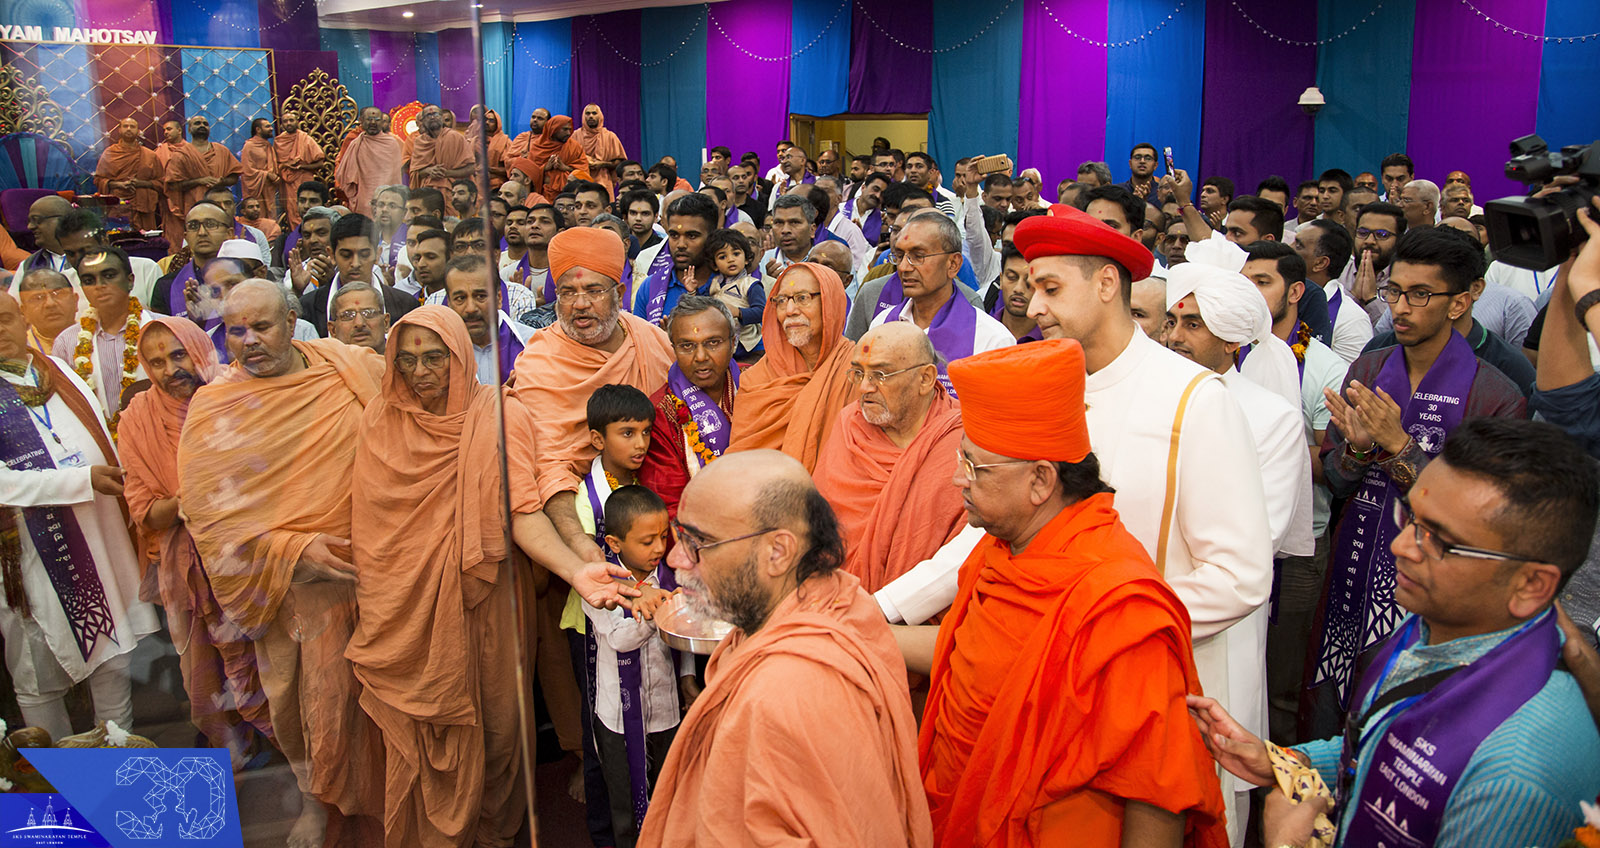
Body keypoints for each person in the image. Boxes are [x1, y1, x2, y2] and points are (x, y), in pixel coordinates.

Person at [1196, 418, 1600, 848]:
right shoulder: (1440, 626)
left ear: (1531, 584)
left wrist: (1287, 844)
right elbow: (1390, 747)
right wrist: (1286, 762)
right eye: (1410, 518)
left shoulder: (1515, 775)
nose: (1401, 546)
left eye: (1439, 541)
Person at [895, 339, 1228, 847]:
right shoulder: (1001, 549)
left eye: (973, 466)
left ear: (1040, 480)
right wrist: (855, 627)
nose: (955, 478)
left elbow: (1159, 792)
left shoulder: (1116, 603)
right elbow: (974, 655)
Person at [637, 450, 932, 847]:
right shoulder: (841, 599)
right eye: (680, 537)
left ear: (777, 552)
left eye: (698, 543)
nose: (675, 559)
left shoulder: (784, 691)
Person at [1305, 227, 1528, 737]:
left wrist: (1399, 446)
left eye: (1420, 294)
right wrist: (1361, 447)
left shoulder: (1495, 395)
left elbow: (1479, 520)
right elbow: (1338, 479)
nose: (1400, 308)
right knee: (1328, 706)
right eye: (1393, 292)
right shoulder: (1368, 367)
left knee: (1403, 720)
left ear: (1460, 302)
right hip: (1351, 566)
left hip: (1431, 585)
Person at [346, 306, 535, 848]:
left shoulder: (498, 413)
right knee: (416, 722)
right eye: (406, 361)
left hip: (490, 596)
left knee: (498, 723)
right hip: (400, 600)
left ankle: (495, 831)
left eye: (435, 357)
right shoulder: (380, 419)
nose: (421, 372)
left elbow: (519, 510)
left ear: (460, 355)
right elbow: (371, 521)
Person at [0, 291, 158, 742]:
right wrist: (79, 481)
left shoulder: (59, 371)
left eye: (6, 319)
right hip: (25, 550)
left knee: (112, 651)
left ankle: (120, 756)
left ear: (22, 319)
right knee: (37, 668)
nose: (0, 331)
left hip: (97, 531)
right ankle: (52, 781)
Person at [119, 315, 266, 761]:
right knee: (205, 671)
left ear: (201, 348)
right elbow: (143, 507)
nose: (170, 370)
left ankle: (286, 746)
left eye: (178, 354)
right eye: (157, 361)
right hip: (188, 564)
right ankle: (231, 750)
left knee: (268, 663)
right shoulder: (137, 419)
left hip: (253, 557)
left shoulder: (239, 394)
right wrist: (186, 501)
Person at [513, 226, 673, 556]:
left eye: (594, 290)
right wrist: (579, 541)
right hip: (579, 522)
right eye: (568, 292)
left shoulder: (652, 341)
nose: (580, 304)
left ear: (620, 291)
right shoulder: (539, 362)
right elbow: (549, 466)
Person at [1164, 260, 1314, 563]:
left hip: (1219, 596)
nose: (1174, 337)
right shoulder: (1149, 394)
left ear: (1232, 340)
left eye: (1192, 325)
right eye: (1171, 322)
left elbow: (1263, 534)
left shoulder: (1274, 418)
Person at [813, 322, 963, 597]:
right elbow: (817, 528)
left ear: (926, 379)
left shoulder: (960, 438)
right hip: (836, 601)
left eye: (880, 374)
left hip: (925, 613)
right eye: (858, 373)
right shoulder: (851, 424)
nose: (863, 388)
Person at [585, 482, 688, 848]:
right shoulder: (600, 585)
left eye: (663, 537)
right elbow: (618, 639)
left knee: (670, 795)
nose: (660, 548)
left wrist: (689, 674)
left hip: (664, 710)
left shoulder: (668, 577)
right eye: (647, 542)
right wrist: (655, 613)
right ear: (615, 544)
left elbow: (685, 630)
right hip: (617, 718)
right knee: (626, 806)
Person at [726, 263, 858, 472]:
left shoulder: (857, 371)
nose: (789, 311)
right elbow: (742, 465)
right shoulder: (757, 379)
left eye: (802, 298)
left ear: (829, 302)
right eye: (781, 301)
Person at [869, 212, 1013, 392]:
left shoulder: (991, 340)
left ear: (953, 264)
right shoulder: (881, 324)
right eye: (899, 256)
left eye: (918, 256)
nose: (904, 267)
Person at [640, 297, 739, 516]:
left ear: (733, 343)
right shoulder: (660, 412)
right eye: (687, 346)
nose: (701, 357)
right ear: (673, 347)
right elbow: (669, 503)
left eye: (713, 343)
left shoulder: (757, 383)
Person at [50, 246, 155, 431]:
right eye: (89, 280)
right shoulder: (67, 342)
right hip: (103, 445)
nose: (99, 285)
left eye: (109, 275)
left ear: (130, 281)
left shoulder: (163, 328)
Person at [299, 213, 419, 337]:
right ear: (332, 255)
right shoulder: (308, 307)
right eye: (346, 255)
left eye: (364, 254)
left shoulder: (405, 306)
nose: (355, 264)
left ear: (377, 254)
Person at [443, 254, 533, 385]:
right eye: (460, 298)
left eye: (480, 296)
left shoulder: (531, 344)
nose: (471, 308)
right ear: (449, 304)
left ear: (499, 298)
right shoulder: (440, 350)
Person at [634, 193, 719, 325]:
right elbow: (640, 341)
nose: (680, 245)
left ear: (712, 236)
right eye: (674, 235)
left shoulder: (732, 285)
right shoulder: (651, 286)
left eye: (691, 236)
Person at [162, 115, 242, 227]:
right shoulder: (181, 154)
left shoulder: (221, 150)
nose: (202, 126)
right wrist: (200, 181)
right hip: (194, 206)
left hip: (220, 205)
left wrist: (221, 181)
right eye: (197, 123)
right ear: (189, 129)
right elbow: (173, 185)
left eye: (205, 124)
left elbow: (234, 176)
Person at [94, 117, 163, 232]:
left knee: (146, 244)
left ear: (138, 131)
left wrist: (142, 183)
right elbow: (99, 180)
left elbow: (161, 182)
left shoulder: (150, 155)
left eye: (132, 126)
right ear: (119, 130)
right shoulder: (110, 153)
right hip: (117, 207)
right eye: (125, 126)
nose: (129, 129)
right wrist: (118, 185)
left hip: (143, 209)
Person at [335, 107, 405, 217]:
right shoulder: (356, 144)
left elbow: (395, 175)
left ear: (382, 122)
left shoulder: (392, 144)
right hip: (364, 199)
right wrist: (355, 195)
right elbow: (343, 174)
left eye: (377, 119)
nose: (373, 123)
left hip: (388, 199)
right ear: (361, 121)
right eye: (369, 119)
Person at [704, 227, 763, 355]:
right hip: (723, 341)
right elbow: (702, 305)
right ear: (714, 264)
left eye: (736, 254)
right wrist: (692, 291)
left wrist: (739, 312)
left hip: (748, 345)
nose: (730, 259)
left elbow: (762, 312)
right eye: (722, 257)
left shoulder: (751, 284)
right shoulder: (714, 283)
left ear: (747, 258)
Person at [509, 115, 589, 199]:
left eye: (569, 129)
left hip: (569, 195)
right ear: (554, 129)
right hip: (543, 195)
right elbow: (530, 174)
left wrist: (565, 168)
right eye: (565, 129)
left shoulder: (575, 147)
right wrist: (544, 168)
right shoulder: (537, 147)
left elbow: (584, 170)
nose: (569, 133)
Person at [272, 111, 325, 229]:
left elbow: (320, 163)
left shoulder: (306, 139)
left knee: (309, 208)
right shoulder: (278, 141)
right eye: (285, 121)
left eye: (291, 120)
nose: (289, 123)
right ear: (282, 125)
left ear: (297, 122)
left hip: (304, 180)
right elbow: (276, 165)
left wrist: (301, 167)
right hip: (288, 183)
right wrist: (285, 166)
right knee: (293, 210)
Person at [408, 105, 475, 192]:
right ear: (423, 121)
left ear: (441, 118)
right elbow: (415, 172)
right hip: (428, 192)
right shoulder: (420, 142)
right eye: (428, 115)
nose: (432, 117)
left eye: (436, 114)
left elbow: (471, 168)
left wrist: (447, 173)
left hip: (454, 191)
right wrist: (429, 170)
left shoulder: (456, 137)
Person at [16, 269, 76, 355]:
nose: (50, 304)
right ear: (24, 311)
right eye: (38, 298)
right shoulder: (19, 349)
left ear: (75, 301)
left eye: (57, 294)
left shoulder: (98, 337)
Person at [327, 282, 390, 354]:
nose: (359, 323)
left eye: (368, 313)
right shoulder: (320, 364)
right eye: (348, 315)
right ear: (333, 330)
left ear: (386, 323)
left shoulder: (402, 363)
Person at [240, 118, 283, 221]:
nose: (271, 129)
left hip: (269, 189)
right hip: (256, 189)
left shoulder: (268, 145)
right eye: (267, 126)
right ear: (258, 130)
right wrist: (267, 175)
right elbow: (247, 170)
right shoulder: (249, 146)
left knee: (271, 219)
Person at [574, 103, 627, 177]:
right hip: (580, 180)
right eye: (588, 113)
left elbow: (620, 163)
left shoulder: (610, 136)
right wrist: (584, 161)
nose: (591, 116)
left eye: (594, 113)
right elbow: (568, 160)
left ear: (600, 116)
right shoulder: (575, 135)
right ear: (583, 116)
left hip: (603, 181)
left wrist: (602, 164)